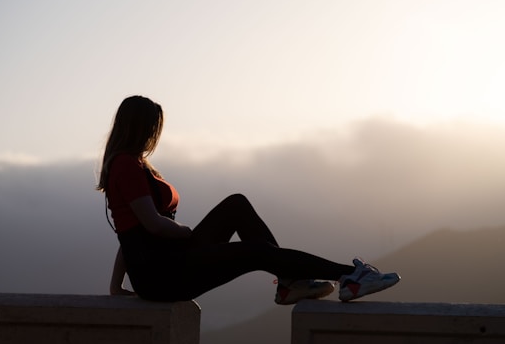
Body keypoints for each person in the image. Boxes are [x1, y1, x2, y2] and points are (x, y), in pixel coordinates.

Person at [97, 95, 400, 304]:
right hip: (165, 273)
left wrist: (116, 286)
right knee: (255, 251)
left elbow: (128, 232)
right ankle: (349, 276)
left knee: (236, 204)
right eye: (153, 126)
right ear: (141, 127)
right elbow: (150, 225)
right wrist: (185, 232)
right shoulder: (126, 165)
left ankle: (290, 282)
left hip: (164, 266)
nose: (155, 133)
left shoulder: (130, 164)